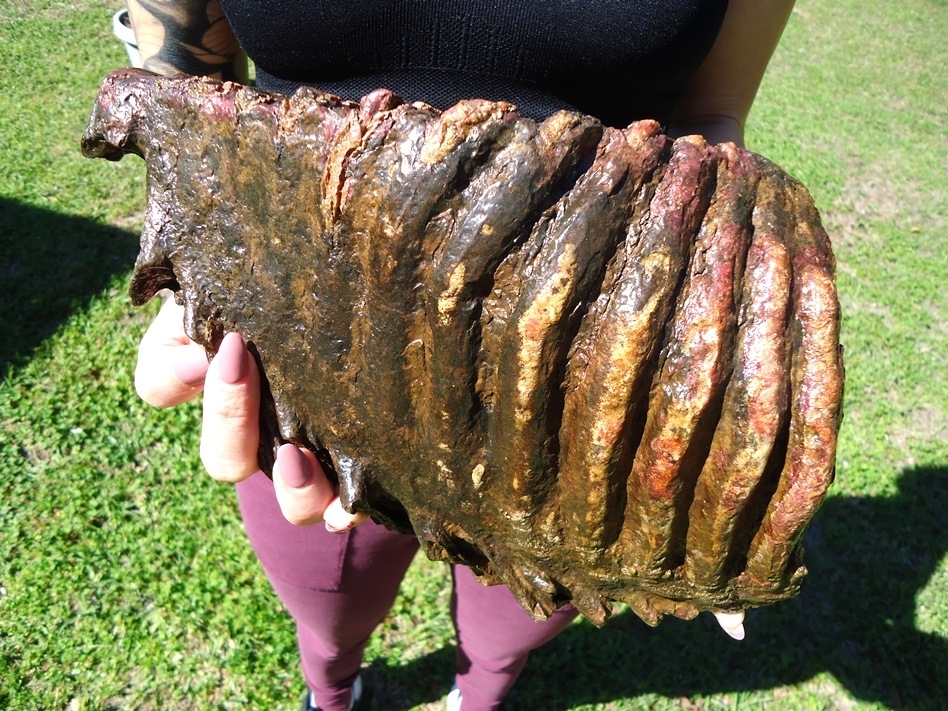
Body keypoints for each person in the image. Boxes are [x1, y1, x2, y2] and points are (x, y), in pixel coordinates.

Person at [125, 1, 796, 709]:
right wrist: (201, 251)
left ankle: (480, 694)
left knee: (513, 618)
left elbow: (712, 117)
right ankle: (330, 692)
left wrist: (714, 339)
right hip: (308, 350)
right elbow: (185, 81)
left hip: (577, 386)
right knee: (327, 604)